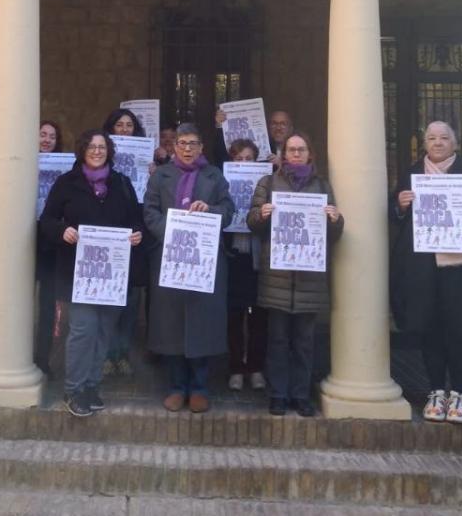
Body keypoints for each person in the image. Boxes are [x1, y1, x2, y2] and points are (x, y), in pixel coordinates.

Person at [390, 120, 462, 425]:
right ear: (424, 144)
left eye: (444, 138)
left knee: (460, 329)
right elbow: (393, 215)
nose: (437, 143)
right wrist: (399, 204)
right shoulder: (412, 175)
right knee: (430, 328)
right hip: (422, 267)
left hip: (461, 267)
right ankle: (436, 391)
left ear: (455, 143)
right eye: (431, 138)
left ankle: (459, 394)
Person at [39, 131, 144, 417]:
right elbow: (46, 220)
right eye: (92, 147)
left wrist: (137, 234)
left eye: (102, 147)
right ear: (82, 150)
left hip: (112, 273)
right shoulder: (67, 183)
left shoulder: (121, 183)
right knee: (83, 330)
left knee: (103, 331)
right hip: (78, 272)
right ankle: (73, 389)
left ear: (109, 151)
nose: (97, 151)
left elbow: (137, 217)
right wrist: (63, 231)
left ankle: (91, 386)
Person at [247, 132, 343, 417]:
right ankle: (278, 394)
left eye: (301, 149)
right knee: (277, 341)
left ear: (309, 153)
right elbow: (251, 221)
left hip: (309, 278)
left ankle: (300, 395)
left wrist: (336, 220)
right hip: (276, 276)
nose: (296, 154)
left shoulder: (322, 185)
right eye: (291, 149)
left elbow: (334, 232)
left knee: (304, 342)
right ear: (284, 154)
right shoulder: (268, 182)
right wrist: (261, 214)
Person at [145, 123, 235, 414]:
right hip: (169, 256)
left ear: (201, 148)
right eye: (182, 143)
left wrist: (209, 211)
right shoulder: (161, 176)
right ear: (174, 147)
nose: (186, 148)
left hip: (204, 260)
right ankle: (176, 386)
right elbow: (150, 211)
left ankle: (199, 387)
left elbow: (229, 210)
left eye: (192, 143)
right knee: (171, 324)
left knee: (201, 323)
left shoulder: (214, 176)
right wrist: (172, 231)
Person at [100, 107, 150, 377]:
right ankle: (107, 354)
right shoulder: (95, 165)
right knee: (109, 304)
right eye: (119, 125)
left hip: (133, 239)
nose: (124, 129)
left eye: (129, 125)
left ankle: (122, 354)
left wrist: (152, 171)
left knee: (130, 303)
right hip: (106, 240)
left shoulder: (146, 160)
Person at [224, 139, 267, 392]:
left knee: (259, 318)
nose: (243, 163)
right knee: (234, 317)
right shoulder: (223, 183)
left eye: (248, 158)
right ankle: (235, 369)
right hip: (234, 257)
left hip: (258, 259)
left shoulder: (266, 186)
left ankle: (256, 367)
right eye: (238, 159)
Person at [34, 119, 63, 376]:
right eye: (42, 134)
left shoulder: (64, 169)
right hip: (24, 239)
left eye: (52, 137)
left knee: (47, 305)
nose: (46, 140)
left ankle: (42, 358)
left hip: (50, 243)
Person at [212, 108, 295, 166]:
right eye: (274, 123)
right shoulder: (260, 150)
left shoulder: (297, 150)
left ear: (291, 128)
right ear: (267, 127)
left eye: (283, 124)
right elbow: (221, 158)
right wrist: (220, 126)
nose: (278, 128)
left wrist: (282, 165)